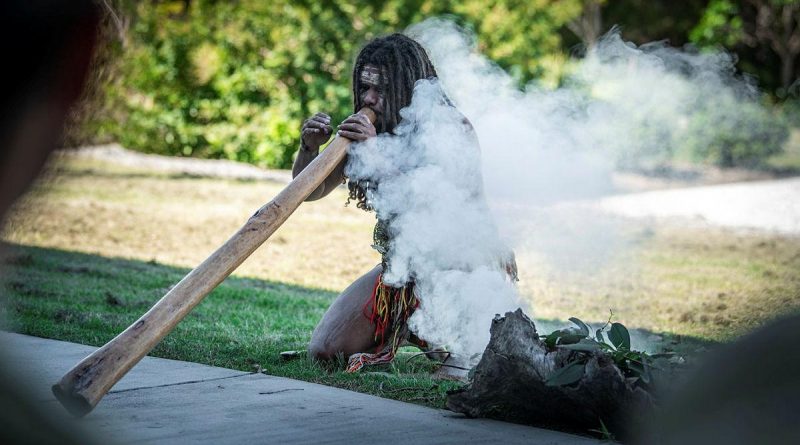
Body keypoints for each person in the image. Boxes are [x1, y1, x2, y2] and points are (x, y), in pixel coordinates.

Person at [293, 33, 513, 374]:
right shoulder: (367, 130)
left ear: (409, 87)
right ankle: (411, 324)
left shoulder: (451, 129)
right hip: (400, 269)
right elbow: (309, 192)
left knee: (458, 371)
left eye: (381, 89)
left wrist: (376, 154)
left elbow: (445, 213)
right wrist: (309, 149)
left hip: (463, 271)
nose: (369, 98)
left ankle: (457, 338)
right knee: (326, 351)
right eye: (365, 87)